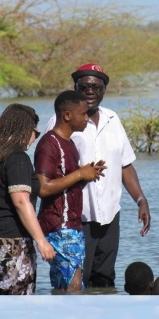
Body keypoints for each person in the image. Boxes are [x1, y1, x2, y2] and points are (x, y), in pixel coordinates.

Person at [46, 64, 151, 288]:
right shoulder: (61, 123)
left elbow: (125, 166)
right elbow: (47, 178)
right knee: (72, 285)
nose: (91, 91)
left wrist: (140, 200)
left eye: (97, 87)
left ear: (104, 90)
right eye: (85, 86)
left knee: (105, 282)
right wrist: (81, 174)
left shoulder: (113, 120)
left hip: (110, 217)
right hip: (76, 220)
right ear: (75, 88)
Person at [0, 104, 56, 294]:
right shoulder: (17, 157)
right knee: (15, 297)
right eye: (36, 133)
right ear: (25, 129)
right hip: (11, 239)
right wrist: (41, 241)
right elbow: (20, 201)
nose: (35, 139)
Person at [35, 91, 106, 292]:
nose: (87, 118)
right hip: (60, 225)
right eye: (83, 114)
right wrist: (79, 174)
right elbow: (42, 187)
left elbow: (66, 187)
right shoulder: (49, 143)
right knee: (74, 287)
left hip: (70, 224)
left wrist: (87, 174)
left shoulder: (70, 143)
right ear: (67, 115)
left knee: (63, 288)